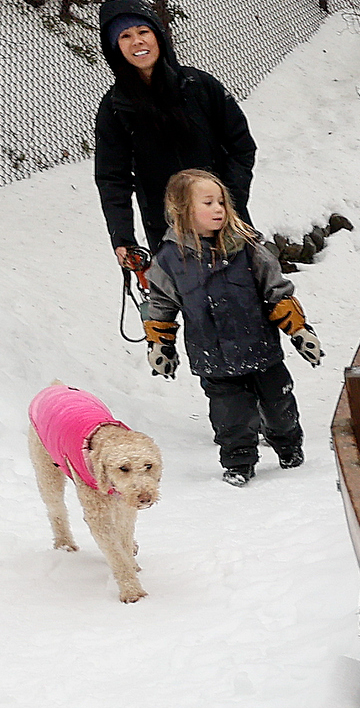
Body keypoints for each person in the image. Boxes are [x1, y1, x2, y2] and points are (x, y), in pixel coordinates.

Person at [140, 169, 327, 486]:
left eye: (222, 202)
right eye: (208, 202)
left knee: (279, 404)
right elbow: (161, 305)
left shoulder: (246, 247)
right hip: (213, 357)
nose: (218, 209)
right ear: (182, 210)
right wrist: (161, 345)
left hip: (261, 348)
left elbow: (277, 291)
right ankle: (239, 463)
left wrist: (299, 330)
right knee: (231, 416)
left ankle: (289, 447)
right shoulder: (169, 260)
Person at [93, 0, 256, 286]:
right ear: (114, 48)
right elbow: (112, 177)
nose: (137, 42)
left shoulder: (200, 87)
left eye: (143, 32)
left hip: (226, 222)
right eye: (125, 36)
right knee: (195, 312)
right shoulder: (115, 108)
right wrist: (123, 237)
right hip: (169, 231)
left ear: (158, 36)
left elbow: (241, 146)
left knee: (248, 302)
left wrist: (226, 202)